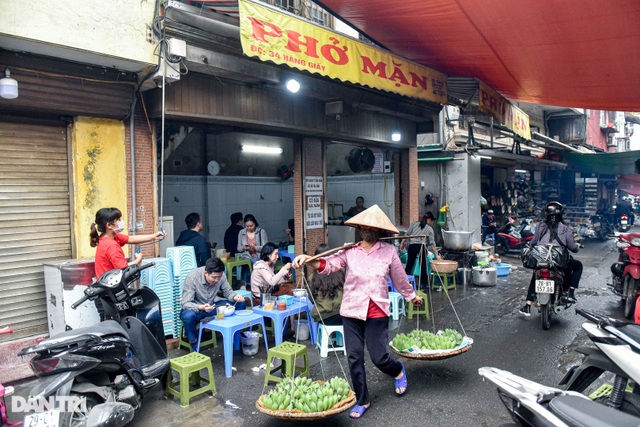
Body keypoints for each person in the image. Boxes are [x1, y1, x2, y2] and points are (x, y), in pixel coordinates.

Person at [292, 205, 423, 419]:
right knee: (354, 357)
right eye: (362, 227)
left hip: (377, 311)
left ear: (379, 231)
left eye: (370, 228)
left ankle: (397, 370)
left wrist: (411, 296)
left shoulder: (389, 251)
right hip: (352, 310)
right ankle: (362, 399)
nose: (365, 231)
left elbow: (399, 278)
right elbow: (329, 264)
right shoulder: (350, 251)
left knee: (379, 358)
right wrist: (307, 258)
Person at [90, 207, 166, 320]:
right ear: (109, 225)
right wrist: (138, 260)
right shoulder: (111, 245)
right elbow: (124, 269)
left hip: (106, 294)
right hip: (109, 296)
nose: (121, 222)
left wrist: (153, 236)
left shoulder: (108, 238)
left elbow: (131, 238)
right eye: (118, 219)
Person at [519, 201, 583, 316]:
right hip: (559, 261)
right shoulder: (565, 228)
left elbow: (533, 243)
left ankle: (528, 304)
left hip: (542, 259)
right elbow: (572, 248)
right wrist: (577, 247)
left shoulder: (541, 227)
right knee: (578, 266)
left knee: (536, 273)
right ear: (561, 214)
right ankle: (571, 292)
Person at [180, 257, 247, 348]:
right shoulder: (192, 278)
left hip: (212, 307)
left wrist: (235, 297)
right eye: (214, 278)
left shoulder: (221, 275)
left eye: (219, 277)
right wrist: (201, 307)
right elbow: (185, 303)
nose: (217, 280)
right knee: (188, 316)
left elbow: (228, 292)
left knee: (241, 303)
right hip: (197, 310)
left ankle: (235, 336)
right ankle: (194, 345)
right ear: (206, 273)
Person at [403, 212, 441, 289]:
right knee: (423, 265)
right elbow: (432, 243)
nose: (432, 223)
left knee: (409, 264)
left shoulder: (414, 224)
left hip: (412, 246)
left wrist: (402, 243)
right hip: (421, 246)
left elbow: (407, 234)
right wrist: (436, 255)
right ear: (429, 220)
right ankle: (423, 284)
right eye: (432, 221)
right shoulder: (429, 229)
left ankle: (405, 282)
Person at [309, 244, 344, 325]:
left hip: (324, 317)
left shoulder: (312, 278)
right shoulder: (341, 272)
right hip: (342, 315)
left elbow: (312, 299)